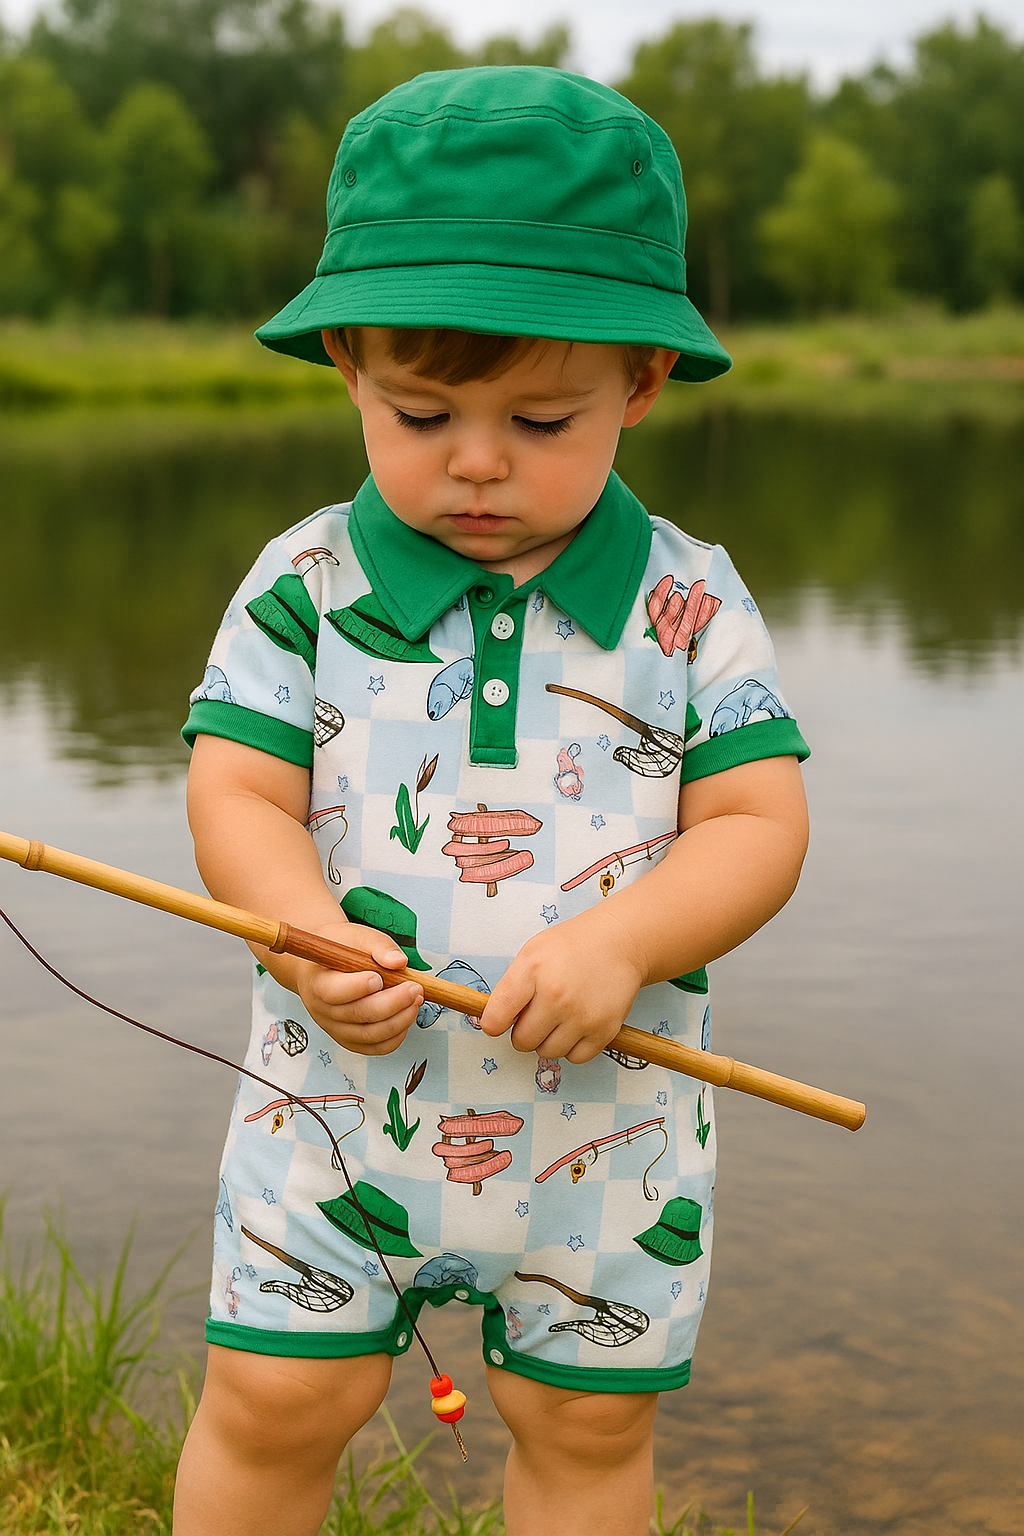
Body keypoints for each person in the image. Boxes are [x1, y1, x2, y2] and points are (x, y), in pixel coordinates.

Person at [174, 67, 810, 1536]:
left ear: (641, 387)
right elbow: (240, 790)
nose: (473, 462)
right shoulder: (303, 587)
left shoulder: (688, 605)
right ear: (348, 361)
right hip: (333, 1112)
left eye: (539, 421)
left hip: (610, 1130)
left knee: (586, 1428)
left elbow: (758, 827)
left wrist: (626, 945)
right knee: (275, 1402)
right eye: (420, 409)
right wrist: (296, 925)